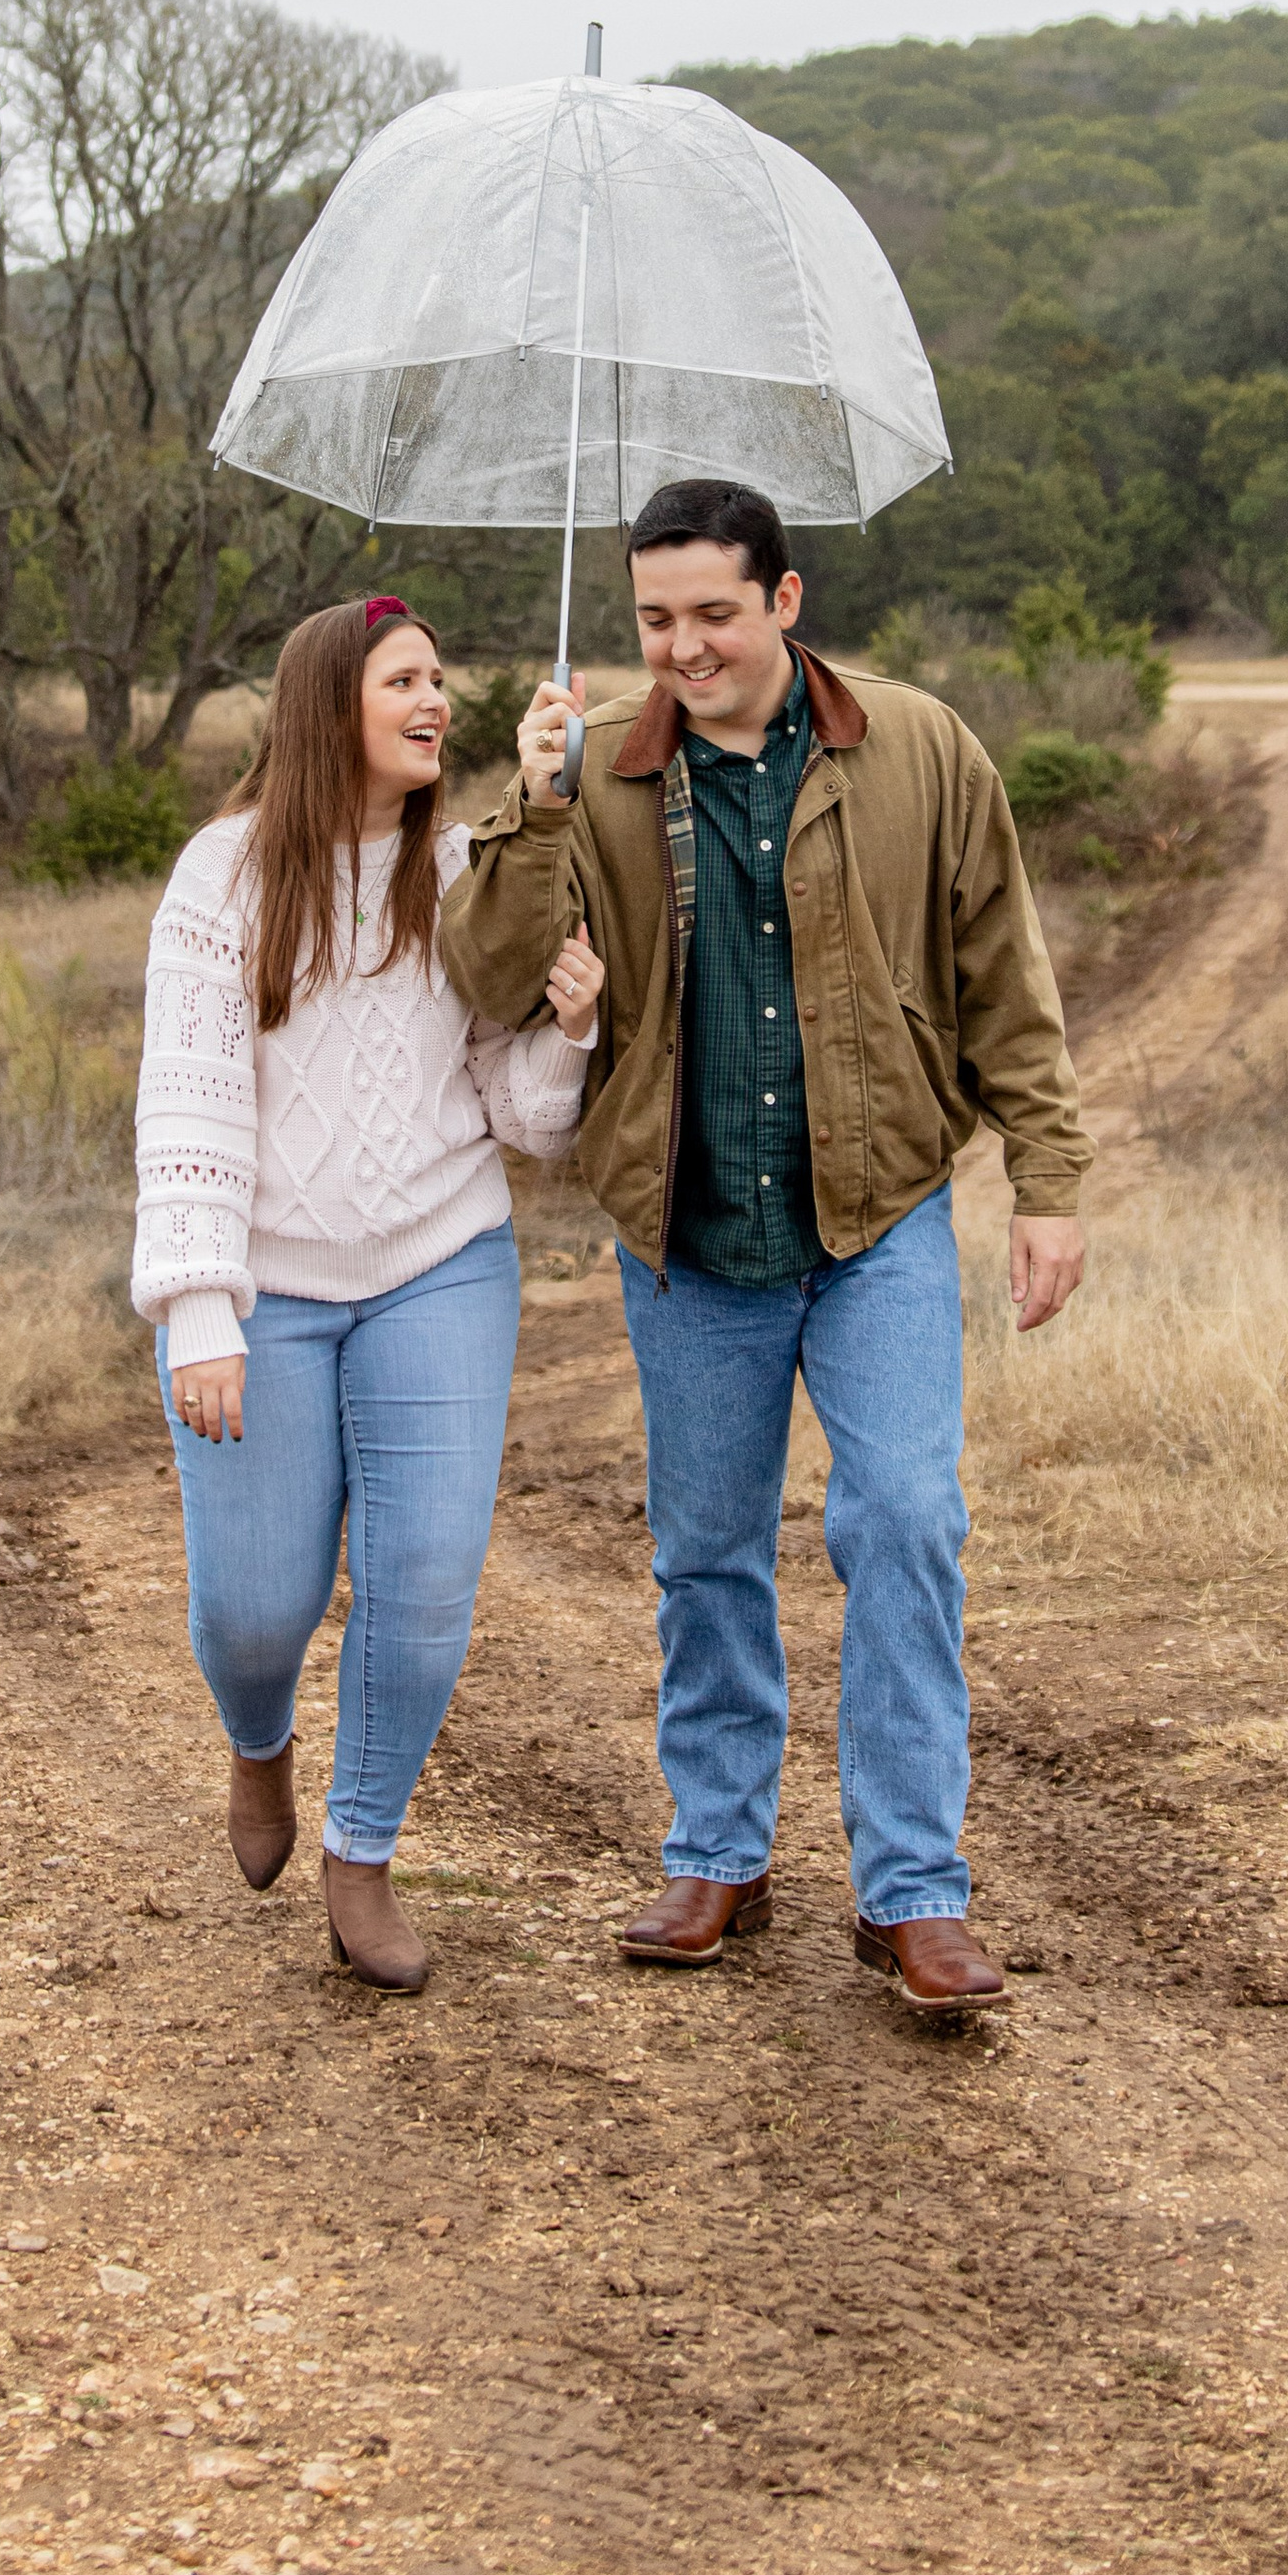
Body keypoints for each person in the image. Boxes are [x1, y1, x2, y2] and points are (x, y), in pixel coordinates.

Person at [441, 481, 1091, 2014]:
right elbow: (481, 974)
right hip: (688, 1231)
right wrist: (527, 804)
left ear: (785, 603)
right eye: (655, 620)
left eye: (713, 616)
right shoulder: (589, 769)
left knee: (907, 1523)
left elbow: (1005, 967)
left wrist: (1047, 1177)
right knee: (709, 1558)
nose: (681, 648)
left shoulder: (920, 747)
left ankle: (913, 1894)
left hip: (879, 1218)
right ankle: (719, 1855)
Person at [131, 593, 604, 1993]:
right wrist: (202, 1309)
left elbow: (520, 1115)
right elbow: (193, 1105)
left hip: (440, 1263)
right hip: (266, 1283)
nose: (434, 700)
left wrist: (570, 1032)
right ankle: (260, 1741)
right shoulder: (221, 878)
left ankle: (364, 1850)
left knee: (423, 1580)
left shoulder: (462, 871)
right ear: (327, 701)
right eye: (404, 679)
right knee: (259, 1608)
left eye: (442, 681)